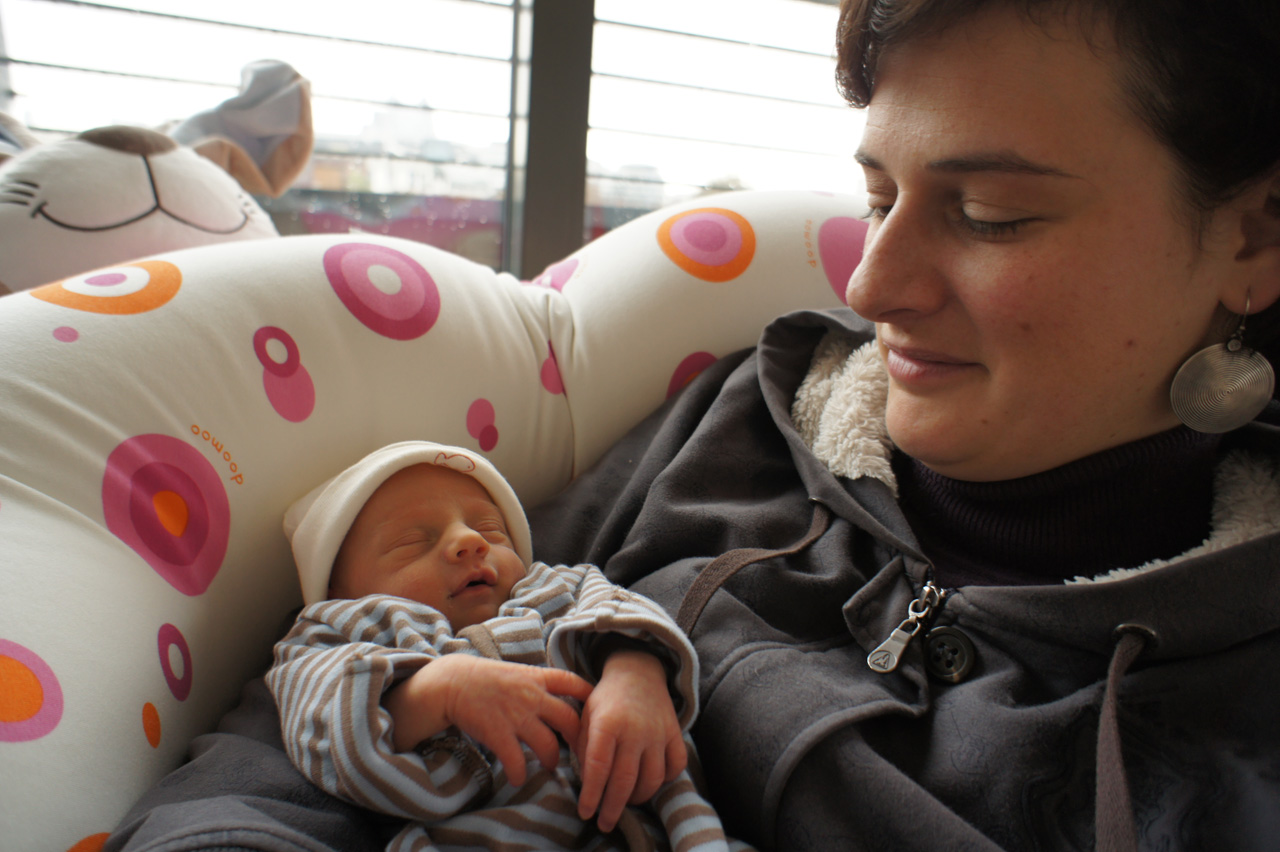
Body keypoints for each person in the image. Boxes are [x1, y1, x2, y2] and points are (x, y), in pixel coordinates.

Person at [523, 2, 1280, 851]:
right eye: (879, 201)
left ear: (1253, 238)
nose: (868, 289)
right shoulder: (746, 416)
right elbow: (452, 628)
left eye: (989, 213)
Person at [264, 441, 745, 852]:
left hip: (669, 830)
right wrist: (440, 690)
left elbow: (622, 609)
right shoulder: (339, 630)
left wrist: (634, 672)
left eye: (490, 528)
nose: (469, 540)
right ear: (339, 593)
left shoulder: (553, 588)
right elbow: (323, 718)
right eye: (412, 541)